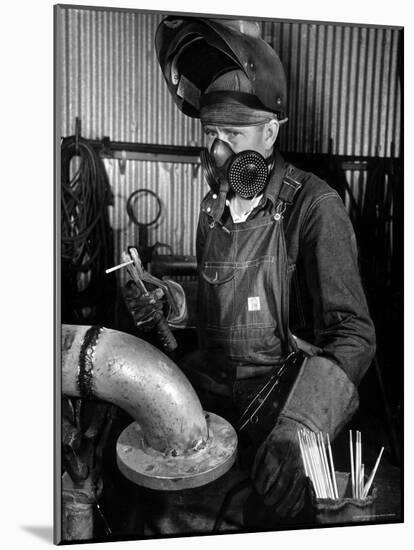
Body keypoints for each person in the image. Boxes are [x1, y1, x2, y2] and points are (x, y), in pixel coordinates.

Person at [124, 16, 376, 531]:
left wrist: (298, 431)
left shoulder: (314, 207)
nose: (218, 151)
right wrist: (173, 301)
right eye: (211, 133)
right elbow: (220, 302)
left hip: (282, 404)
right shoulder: (211, 207)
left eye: (233, 134)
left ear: (270, 131)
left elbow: (354, 336)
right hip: (214, 397)